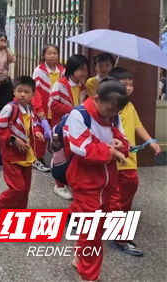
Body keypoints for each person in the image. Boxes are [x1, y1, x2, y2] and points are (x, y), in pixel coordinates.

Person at [64, 79, 129, 282]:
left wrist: (120, 144)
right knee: (91, 232)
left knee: (96, 229)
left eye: (116, 111)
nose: (111, 114)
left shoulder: (114, 116)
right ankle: (89, 275)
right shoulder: (79, 115)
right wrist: (112, 151)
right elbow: (81, 147)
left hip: (108, 183)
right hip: (86, 182)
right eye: (109, 109)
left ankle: (80, 257)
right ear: (97, 98)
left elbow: (123, 141)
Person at [108, 67, 161, 257]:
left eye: (131, 85)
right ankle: (119, 235)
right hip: (116, 160)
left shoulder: (129, 106)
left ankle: (117, 225)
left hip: (130, 159)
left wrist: (150, 141)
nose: (129, 88)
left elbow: (138, 125)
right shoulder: (112, 108)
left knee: (128, 190)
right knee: (116, 197)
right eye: (125, 85)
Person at [0, 76, 40, 219]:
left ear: (33, 94)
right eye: (19, 91)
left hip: (26, 154)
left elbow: (31, 127)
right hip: (12, 155)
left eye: (27, 92)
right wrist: (13, 139)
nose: (22, 95)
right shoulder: (10, 108)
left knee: (25, 189)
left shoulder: (29, 109)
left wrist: (37, 133)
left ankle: (19, 215)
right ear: (14, 92)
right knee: (18, 188)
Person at [49, 53, 88, 200]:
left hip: (76, 125)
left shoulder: (83, 86)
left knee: (72, 153)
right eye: (81, 69)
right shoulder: (60, 84)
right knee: (60, 154)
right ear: (73, 69)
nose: (84, 73)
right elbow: (52, 104)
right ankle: (58, 185)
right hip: (60, 125)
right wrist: (71, 110)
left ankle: (69, 181)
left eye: (85, 69)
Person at [31, 44, 64, 172]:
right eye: (49, 53)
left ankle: (58, 160)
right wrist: (38, 108)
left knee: (56, 134)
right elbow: (35, 91)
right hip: (42, 108)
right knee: (41, 135)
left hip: (56, 109)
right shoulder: (39, 70)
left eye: (54, 53)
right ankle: (38, 159)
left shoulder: (62, 71)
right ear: (43, 55)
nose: (52, 55)